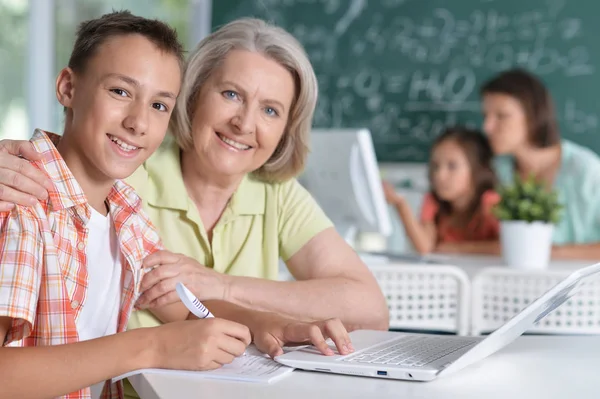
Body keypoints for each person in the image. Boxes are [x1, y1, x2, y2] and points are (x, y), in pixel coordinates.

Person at [0, 17, 387, 353]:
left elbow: (370, 308)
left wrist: (241, 302)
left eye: (270, 110)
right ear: (194, 95)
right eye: (231, 94)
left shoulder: (127, 210)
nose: (245, 123)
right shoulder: (125, 172)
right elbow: (69, 160)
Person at [0, 11, 253, 399]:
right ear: (68, 88)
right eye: (120, 92)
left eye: (159, 106)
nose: (139, 123)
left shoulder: (126, 215)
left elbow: (184, 308)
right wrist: (151, 346)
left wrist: (275, 327)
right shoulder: (21, 202)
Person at [481, 68, 600, 259]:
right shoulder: (496, 170)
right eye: (485, 116)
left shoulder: (587, 171)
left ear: (533, 115)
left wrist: (545, 252)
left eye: (501, 116)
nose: (487, 127)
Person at [383, 127, 499, 255]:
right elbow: (425, 248)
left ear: (477, 170)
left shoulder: (490, 202)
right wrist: (400, 204)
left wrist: (456, 249)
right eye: (435, 166)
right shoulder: (433, 201)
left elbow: (507, 248)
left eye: (452, 166)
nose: (439, 175)